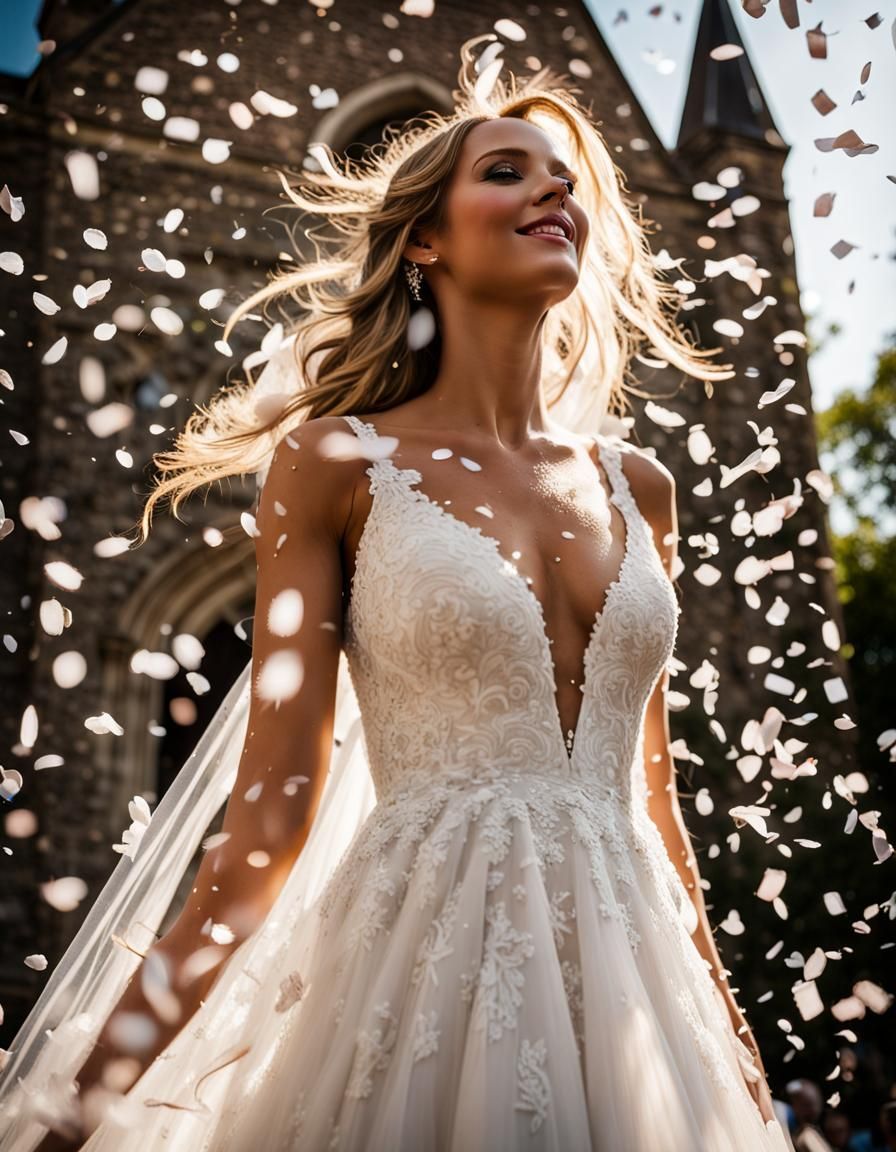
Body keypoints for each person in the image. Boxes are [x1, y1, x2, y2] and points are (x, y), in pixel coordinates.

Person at [0, 35, 793, 1152]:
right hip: (416, 966)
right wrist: (87, 1100)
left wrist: (723, 1022)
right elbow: (267, 824)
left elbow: (652, 806)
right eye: (505, 170)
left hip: (635, 992)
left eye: (559, 173)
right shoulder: (331, 464)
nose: (551, 186)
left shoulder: (640, 486)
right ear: (423, 237)